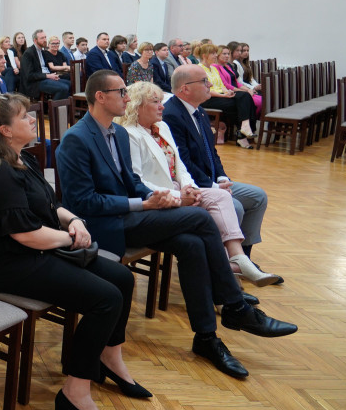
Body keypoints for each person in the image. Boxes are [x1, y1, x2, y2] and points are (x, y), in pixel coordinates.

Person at [56, 70, 296, 380]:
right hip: (105, 226)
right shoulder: (78, 138)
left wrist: (154, 195)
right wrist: (144, 203)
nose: (127, 98)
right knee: (198, 216)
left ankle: (206, 338)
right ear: (100, 97)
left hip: (128, 215)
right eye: (121, 92)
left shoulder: (114, 133)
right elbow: (84, 203)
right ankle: (236, 307)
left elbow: (130, 181)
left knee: (192, 244)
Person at [0, 93, 142, 410]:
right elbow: (25, 235)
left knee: (121, 278)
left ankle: (109, 358)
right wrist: (71, 238)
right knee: (105, 299)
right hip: (10, 263)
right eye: (25, 117)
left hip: (39, 249)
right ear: (5, 130)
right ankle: (75, 392)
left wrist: (73, 220)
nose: (33, 120)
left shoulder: (23, 158)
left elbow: (50, 205)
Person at [120, 82, 281, 286]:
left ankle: (237, 258)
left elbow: (180, 165)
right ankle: (227, 274)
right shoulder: (129, 133)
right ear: (137, 105)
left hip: (180, 189)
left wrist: (190, 187)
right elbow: (138, 181)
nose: (162, 106)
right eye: (155, 102)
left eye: (161, 101)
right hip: (159, 198)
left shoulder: (161, 126)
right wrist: (180, 196)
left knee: (224, 196)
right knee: (216, 210)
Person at [163, 65, 279, 280]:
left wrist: (222, 177)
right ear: (185, 89)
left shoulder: (198, 110)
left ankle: (243, 258)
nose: (210, 85)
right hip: (193, 184)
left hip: (212, 180)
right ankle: (224, 269)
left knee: (257, 197)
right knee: (233, 206)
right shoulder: (172, 115)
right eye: (204, 81)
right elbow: (183, 163)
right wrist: (214, 186)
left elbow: (212, 153)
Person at [195, 44, 256, 146]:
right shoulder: (199, 69)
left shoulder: (213, 68)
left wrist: (228, 92)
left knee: (245, 97)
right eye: (213, 53)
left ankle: (244, 128)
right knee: (241, 102)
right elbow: (204, 90)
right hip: (208, 99)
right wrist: (223, 96)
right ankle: (244, 132)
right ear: (205, 56)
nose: (216, 55)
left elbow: (222, 85)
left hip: (220, 95)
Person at [20, 29, 70, 100]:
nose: (45, 40)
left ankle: (63, 108)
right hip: (36, 82)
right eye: (42, 38)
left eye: (45, 37)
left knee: (70, 84)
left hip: (46, 77)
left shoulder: (43, 52)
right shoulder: (29, 53)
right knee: (63, 88)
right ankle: (53, 109)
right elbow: (29, 75)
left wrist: (51, 75)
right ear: (35, 40)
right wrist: (47, 76)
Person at [216, 46, 261, 115]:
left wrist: (248, 89)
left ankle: (251, 122)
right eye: (224, 54)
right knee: (251, 100)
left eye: (228, 54)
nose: (227, 56)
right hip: (230, 91)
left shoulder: (228, 66)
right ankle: (247, 123)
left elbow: (237, 82)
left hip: (237, 89)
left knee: (261, 100)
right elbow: (226, 85)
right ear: (218, 55)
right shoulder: (216, 67)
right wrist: (245, 91)